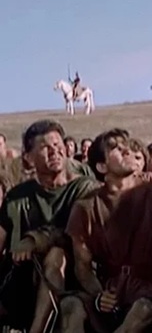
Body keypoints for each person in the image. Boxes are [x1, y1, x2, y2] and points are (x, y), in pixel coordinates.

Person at [60, 129, 152, 332]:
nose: (126, 150)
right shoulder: (86, 207)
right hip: (110, 288)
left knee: (142, 310)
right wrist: (99, 295)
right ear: (102, 166)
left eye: (125, 146)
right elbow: (82, 267)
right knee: (71, 306)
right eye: (115, 148)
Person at [0, 120, 99, 333]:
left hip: (75, 277)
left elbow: (73, 235)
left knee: (56, 254)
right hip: (24, 280)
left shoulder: (85, 189)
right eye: (45, 147)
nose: (54, 151)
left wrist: (34, 240)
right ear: (29, 158)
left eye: (57, 144)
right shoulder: (18, 197)